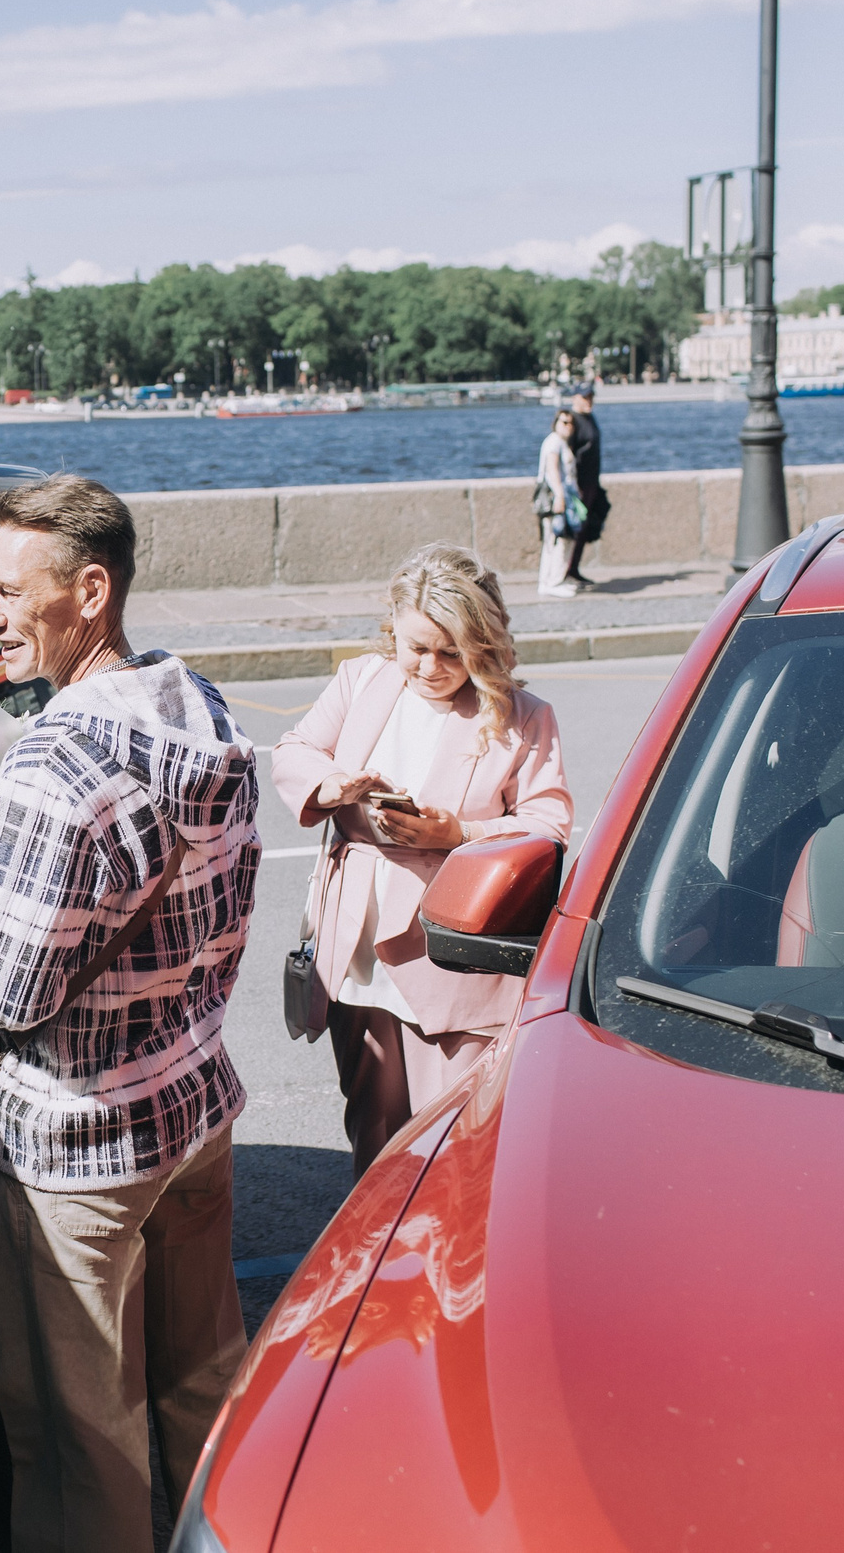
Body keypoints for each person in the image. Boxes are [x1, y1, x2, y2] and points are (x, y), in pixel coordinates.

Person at [0, 474, 257, 1553]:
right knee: (203, 1384)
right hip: (192, 1108)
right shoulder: (194, 700)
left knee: (73, 1436)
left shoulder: (57, 755)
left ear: (88, 590)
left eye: (10, 592)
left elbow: (1, 993)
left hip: (78, 1152)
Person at [272, 544, 572, 1172]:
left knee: (455, 1141)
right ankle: (375, 1260)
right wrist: (330, 786)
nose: (430, 666)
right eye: (416, 647)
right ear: (394, 629)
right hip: (356, 943)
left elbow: (549, 825)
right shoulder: (363, 680)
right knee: (374, 1132)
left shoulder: (522, 716)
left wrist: (456, 831)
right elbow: (296, 748)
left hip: (451, 949)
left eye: (451, 651)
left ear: (482, 644)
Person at [565, 382, 610, 588]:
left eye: (591, 397)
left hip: (592, 483)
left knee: (585, 529)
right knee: (573, 529)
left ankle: (574, 569)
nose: (589, 401)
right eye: (584, 397)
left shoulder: (590, 418)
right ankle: (563, 573)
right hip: (578, 486)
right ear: (574, 398)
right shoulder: (571, 421)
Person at [535, 405, 582, 599]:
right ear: (555, 423)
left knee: (561, 539)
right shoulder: (554, 442)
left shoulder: (560, 442)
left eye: (571, 423)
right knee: (556, 540)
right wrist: (560, 496)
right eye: (564, 422)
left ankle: (555, 579)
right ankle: (550, 582)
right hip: (556, 499)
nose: (568, 426)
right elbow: (552, 470)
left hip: (564, 498)